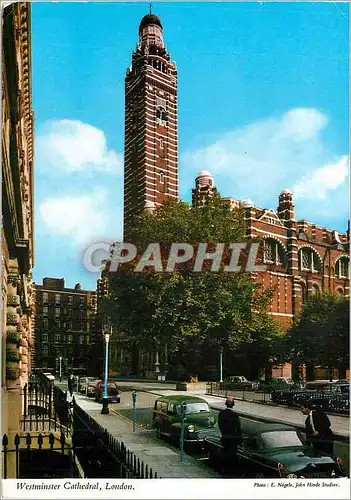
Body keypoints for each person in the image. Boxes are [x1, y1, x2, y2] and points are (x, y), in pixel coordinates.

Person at [218, 396, 242, 475]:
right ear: (233, 404)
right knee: (232, 455)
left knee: (224, 453)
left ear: (225, 404)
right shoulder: (235, 415)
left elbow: (220, 425)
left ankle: (223, 469)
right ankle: (230, 471)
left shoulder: (221, 413)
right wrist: (240, 439)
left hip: (225, 437)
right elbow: (238, 428)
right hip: (233, 439)